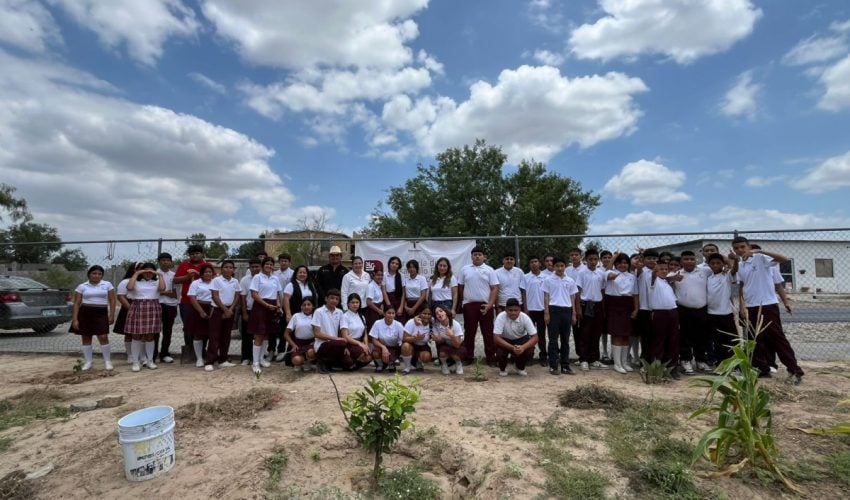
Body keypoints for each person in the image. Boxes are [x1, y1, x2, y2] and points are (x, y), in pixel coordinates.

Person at [732, 237, 803, 384]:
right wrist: (742, 306)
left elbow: (783, 259)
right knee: (754, 339)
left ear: (748, 247)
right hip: (750, 307)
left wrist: (759, 251)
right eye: (736, 248)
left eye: (742, 247)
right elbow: (742, 287)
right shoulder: (741, 265)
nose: (740, 250)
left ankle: (794, 370)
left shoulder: (761, 259)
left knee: (777, 338)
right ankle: (761, 369)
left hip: (767, 306)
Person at [457, 246, 499, 365]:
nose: (477, 256)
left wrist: (490, 304)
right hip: (469, 305)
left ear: (484, 257)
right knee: (469, 332)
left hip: (485, 306)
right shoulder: (464, 269)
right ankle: (468, 357)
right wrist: (464, 301)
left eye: (480, 254)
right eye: (475, 254)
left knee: (488, 332)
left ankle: (491, 357)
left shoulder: (490, 270)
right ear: (471, 256)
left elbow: (495, 288)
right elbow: (460, 287)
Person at [672, 250, 712, 375]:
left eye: (691, 259)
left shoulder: (705, 271)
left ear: (696, 260)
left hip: (702, 309)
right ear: (681, 261)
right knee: (685, 336)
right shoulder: (675, 274)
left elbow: (723, 268)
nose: (689, 261)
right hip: (683, 309)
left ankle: (701, 360)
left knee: (701, 336)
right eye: (686, 259)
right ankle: (686, 360)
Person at [70, 265, 116, 371]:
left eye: (99, 274)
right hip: (85, 313)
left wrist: (112, 315)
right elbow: (76, 303)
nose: (97, 275)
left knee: (103, 336)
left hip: (101, 313)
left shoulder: (107, 284)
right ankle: (88, 362)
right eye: (94, 273)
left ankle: (108, 361)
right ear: (89, 274)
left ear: (102, 275)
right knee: (86, 337)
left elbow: (112, 300)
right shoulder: (82, 286)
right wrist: (75, 319)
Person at [124, 263, 167, 372]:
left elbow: (162, 289)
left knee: (150, 336)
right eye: (146, 271)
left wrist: (159, 275)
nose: (148, 273)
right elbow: (129, 287)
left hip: (153, 308)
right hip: (137, 307)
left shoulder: (156, 282)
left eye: (150, 271)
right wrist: (137, 273)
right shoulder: (136, 282)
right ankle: (135, 362)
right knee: (136, 335)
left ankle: (150, 361)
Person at [543, 256, 578, 375]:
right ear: (553, 267)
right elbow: (546, 296)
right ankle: (553, 365)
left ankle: (565, 365)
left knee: (565, 340)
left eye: (562, 266)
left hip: (567, 310)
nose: (559, 268)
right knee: (553, 339)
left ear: (565, 267)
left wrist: (573, 313)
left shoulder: (570, 280)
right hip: (553, 310)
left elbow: (572, 297)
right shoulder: (548, 280)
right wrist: (546, 313)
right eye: (557, 266)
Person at [647, 260, 681, 380]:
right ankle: (656, 369)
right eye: (661, 269)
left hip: (673, 312)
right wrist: (655, 270)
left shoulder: (666, 282)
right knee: (658, 340)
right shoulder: (654, 280)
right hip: (659, 313)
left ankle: (672, 367)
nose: (664, 271)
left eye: (666, 269)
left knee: (673, 340)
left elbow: (674, 276)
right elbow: (653, 275)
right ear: (656, 271)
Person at [249, 257, 283, 374]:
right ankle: (255, 363)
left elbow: (277, 294)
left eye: (271, 264)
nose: (269, 266)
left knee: (267, 334)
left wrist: (278, 306)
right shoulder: (257, 277)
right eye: (267, 264)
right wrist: (266, 305)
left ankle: (261, 359)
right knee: (259, 335)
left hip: (272, 308)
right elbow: (254, 294)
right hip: (260, 307)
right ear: (263, 265)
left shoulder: (275, 278)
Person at [206, 260, 241, 371]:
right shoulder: (216, 280)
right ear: (221, 269)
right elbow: (215, 296)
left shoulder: (235, 281)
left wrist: (230, 309)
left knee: (226, 336)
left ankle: (223, 360)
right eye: (226, 267)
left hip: (230, 310)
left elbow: (237, 296)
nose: (228, 269)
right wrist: (225, 310)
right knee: (214, 336)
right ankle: (210, 361)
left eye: (231, 267)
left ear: (233, 269)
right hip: (217, 310)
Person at [576, 249, 607, 371]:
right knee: (585, 333)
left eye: (595, 259)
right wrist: (578, 308)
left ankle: (594, 359)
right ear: (586, 260)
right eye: (590, 259)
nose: (593, 262)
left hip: (598, 304)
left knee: (596, 333)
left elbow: (602, 290)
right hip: (586, 305)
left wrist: (603, 306)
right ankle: (584, 359)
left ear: (598, 260)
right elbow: (577, 291)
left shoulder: (601, 273)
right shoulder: (582, 273)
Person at [605, 253, 636, 374]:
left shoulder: (632, 276)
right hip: (614, 304)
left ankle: (624, 362)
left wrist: (636, 309)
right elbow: (608, 271)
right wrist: (614, 257)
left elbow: (635, 294)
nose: (622, 265)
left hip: (628, 305)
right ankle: (617, 363)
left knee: (626, 335)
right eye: (620, 263)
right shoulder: (611, 273)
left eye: (625, 263)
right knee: (617, 334)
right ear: (615, 264)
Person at [173, 245, 209, 347]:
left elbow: (213, 279)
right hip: (186, 302)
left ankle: (202, 350)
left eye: (197, 253)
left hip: (204, 301)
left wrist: (198, 274)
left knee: (203, 326)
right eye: (192, 254)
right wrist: (187, 276)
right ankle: (189, 348)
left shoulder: (207, 265)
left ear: (202, 254)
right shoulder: (184, 265)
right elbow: (175, 280)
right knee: (188, 327)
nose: (195, 255)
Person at [493, 298, 538, 377]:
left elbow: (535, 337)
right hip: (505, 340)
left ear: (520, 309)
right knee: (500, 352)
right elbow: (496, 338)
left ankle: (519, 367)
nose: (513, 312)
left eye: (516, 310)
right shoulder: (500, 317)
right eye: (510, 310)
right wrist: (512, 347)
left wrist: (523, 347)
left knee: (529, 351)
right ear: (506, 310)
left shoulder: (525, 317)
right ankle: (503, 368)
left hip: (521, 340)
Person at [312, 288, 352, 372]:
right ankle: (321, 362)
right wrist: (336, 339)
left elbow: (341, 331)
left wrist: (344, 346)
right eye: (332, 298)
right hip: (322, 344)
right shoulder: (318, 312)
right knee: (341, 342)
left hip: (336, 344)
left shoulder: (340, 312)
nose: (334, 300)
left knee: (348, 363)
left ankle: (330, 363)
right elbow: (317, 333)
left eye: (337, 299)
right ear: (326, 299)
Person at [706, 253, 736, 364]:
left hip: (726, 313)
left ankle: (734, 364)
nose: (715, 265)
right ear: (709, 265)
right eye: (712, 263)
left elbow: (734, 270)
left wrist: (734, 260)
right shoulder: (708, 278)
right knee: (717, 340)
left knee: (730, 339)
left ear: (723, 264)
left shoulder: (726, 275)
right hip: (712, 313)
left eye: (718, 263)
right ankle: (720, 363)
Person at [521, 256, 548, 366]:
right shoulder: (525, 277)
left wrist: (547, 309)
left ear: (540, 263)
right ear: (529, 264)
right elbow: (524, 293)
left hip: (542, 310)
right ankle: (529, 356)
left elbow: (547, 294)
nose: (534, 263)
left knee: (541, 335)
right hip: (530, 310)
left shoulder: (545, 277)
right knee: (529, 335)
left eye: (536, 261)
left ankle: (543, 357)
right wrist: (525, 309)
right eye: (531, 262)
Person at [187, 264, 215, 368]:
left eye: (210, 272)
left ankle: (211, 357)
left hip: (213, 308)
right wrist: (201, 311)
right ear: (201, 274)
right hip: (198, 308)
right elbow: (192, 298)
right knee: (197, 334)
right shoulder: (195, 283)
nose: (208, 274)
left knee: (213, 334)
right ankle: (199, 358)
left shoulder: (216, 282)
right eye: (206, 272)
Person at [634, 249, 659, 364]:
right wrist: (640, 258)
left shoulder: (660, 271)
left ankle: (655, 359)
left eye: (654, 258)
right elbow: (638, 269)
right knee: (645, 337)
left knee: (656, 336)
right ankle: (645, 361)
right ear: (644, 260)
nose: (651, 260)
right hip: (644, 309)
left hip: (658, 308)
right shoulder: (641, 271)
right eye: (649, 258)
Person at [269, 253, 294, 361]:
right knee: (273, 329)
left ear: (289, 262)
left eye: (286, 261)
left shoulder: (293, 274)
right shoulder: (274, 274)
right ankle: (271, 350)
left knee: (284, 328)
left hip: (287, 305)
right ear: (279, 262)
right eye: (282, 261)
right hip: (275, 305)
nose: (283, 263)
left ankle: (281, 350)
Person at [114, 262, 140, 362]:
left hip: (142, 306)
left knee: (142, 333)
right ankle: (130, 355)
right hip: (129, 306)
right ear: (133, 269)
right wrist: (130, 309)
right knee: (129, 333)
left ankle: (140, 354)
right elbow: (121, 296)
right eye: (140, 268)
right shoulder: (125, 282)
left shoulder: (145, 282)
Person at [156, 253, 178, 364]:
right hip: (157, 304)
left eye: (168, 260)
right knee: (155, 330)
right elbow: (152, 291)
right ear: (159, 261)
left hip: (171, 305)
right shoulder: (154, 274)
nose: (166, 262)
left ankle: (164, 354)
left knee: (167, 331)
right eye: (163, 260)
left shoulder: (174, 275)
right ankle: (152, 354)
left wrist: (162, 292)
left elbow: (175, 294)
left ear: (171, 262)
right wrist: (166, 292)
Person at [284, 297, 317, 371]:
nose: (306, 307)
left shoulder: (316, 317)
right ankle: (300, 363)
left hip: (311, 343)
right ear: (301, 306)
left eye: (309, 304)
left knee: (311, 352)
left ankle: (308, 362)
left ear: (313, 306)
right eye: (304, 305)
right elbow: (286, 334)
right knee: (296, 360)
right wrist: (293, 345)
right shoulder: (296, 316)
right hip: (298, 344)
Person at [238, 259, 261, 366]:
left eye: (257, 266)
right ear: (249, 268)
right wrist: (244, 313)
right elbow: (242, 297)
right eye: (253, 267)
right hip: (249, 310)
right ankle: (246, 357)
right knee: (247, 335)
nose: (255, 269)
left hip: (261, 311)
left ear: (261, 267)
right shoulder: (244, 280)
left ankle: (258, 357)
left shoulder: (264, 279)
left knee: (260, 335)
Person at [369, 306, 405, 372]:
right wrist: (383, 347)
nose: (391, 315)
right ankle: (380, 365)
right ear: (384, 313)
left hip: (394, 348)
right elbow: (374, 340)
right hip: (381, 346)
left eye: (393, 313)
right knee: (375, 352)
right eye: (389, 313)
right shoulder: (377, 323)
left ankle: (391, 363)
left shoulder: (399, 325)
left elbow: (403, 339)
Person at [432, 304, 465, 375]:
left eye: (441, 311)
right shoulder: (436, 325)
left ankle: (458, 363)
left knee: (456, 355)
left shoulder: (455, 324)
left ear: (446, 312)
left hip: (457, 345)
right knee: (442, 353)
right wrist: (439, 339)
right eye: (436, 313)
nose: (439, 314)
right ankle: (443, 364)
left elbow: (457, 345)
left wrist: (452, 336)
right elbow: (440, 341)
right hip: (446, 343)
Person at [340, 293, 371, 367]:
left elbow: (365, 333)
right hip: (349, 343)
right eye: (352, 302)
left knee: (369, 357)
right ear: (348, 304)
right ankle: (349, 362)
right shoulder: (345, 316)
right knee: (362, 354)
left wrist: (366, 345)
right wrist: (360, 344)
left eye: (357, 302)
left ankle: (353, 364)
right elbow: (345, 336)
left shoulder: (362, 316)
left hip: (359, 342)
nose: (355, 304)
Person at [401, 308, 433, 374]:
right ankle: (407, 367)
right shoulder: (411, 322)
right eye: (424, 313)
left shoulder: (432, 321)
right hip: (412, 344)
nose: (427, 316)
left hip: (423, 346)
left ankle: (418, 362)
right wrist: (415, 338)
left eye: (429, 314)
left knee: (426, 357)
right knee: (405, 346)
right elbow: (404, 338)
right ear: (420, 314)